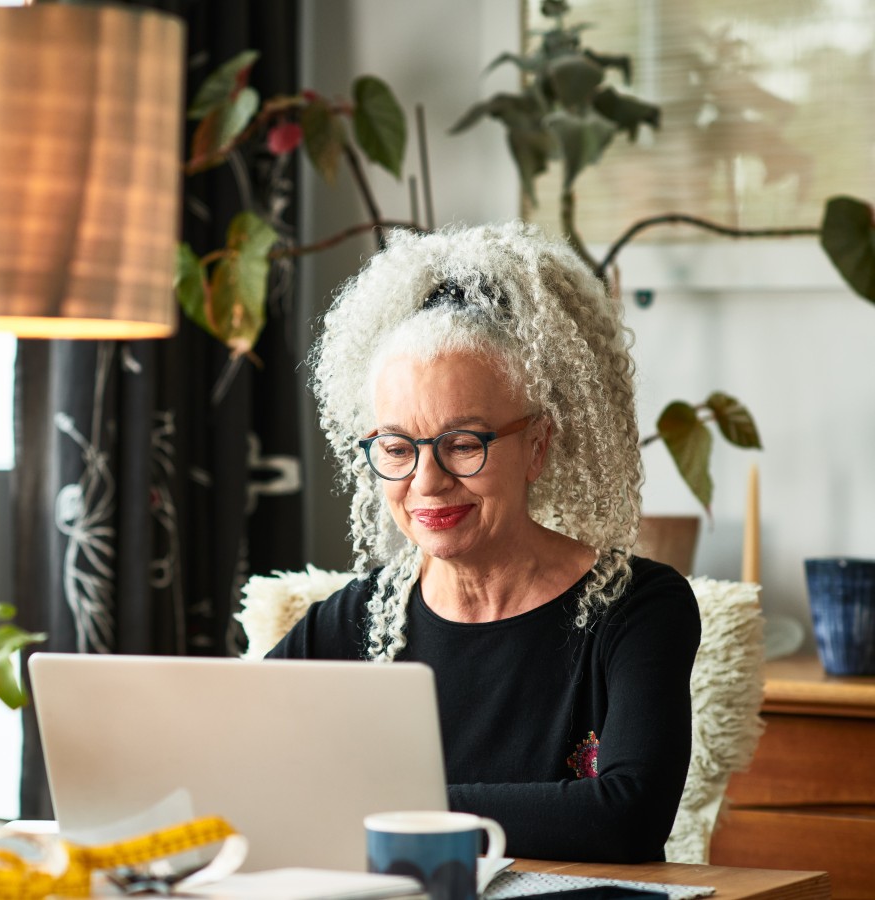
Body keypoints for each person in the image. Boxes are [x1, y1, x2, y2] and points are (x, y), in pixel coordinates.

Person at [267, 222, 701, 863]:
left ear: (538, 446)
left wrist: (386, 808)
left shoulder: (637, 609)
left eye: (464, 443)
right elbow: (238, 770)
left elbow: (627, 817)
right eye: (396, 448)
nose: (427, 480)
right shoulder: (354, 623)